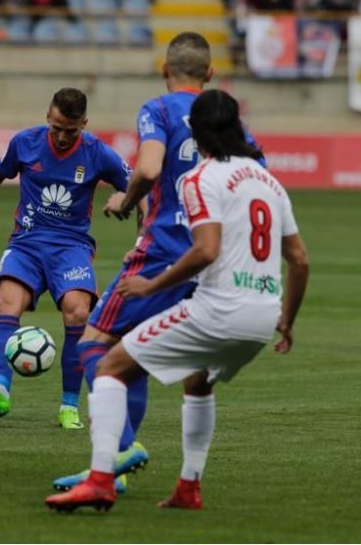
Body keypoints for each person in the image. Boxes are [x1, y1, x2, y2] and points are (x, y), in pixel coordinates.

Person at [45, 90, 309, 512]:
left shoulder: (198, 179)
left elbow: (204, 250)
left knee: (105, 358)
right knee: (197, 382)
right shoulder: (269, 181)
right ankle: (189, 487)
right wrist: (288, 321)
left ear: (197, 132)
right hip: (262, 317)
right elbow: (298, 260)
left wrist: (151, 287)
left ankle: (101, 479)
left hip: (219, 311)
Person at [52, 32, 266, 492]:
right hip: (215, 259)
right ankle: (131, 474)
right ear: (210, 74)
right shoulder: (228, 121)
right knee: (138, 356)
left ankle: (119, 452)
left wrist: (125, 202)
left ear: (164, 70)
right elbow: (257, 175)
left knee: (94, 343)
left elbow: (148, 169)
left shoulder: (159, 110)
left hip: (166, 249)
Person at [0, 88, 131, 430]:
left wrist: (127, 208)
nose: (62, 136)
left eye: (71, 130)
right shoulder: (25, 142)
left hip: (71, 246)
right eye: (56, 127)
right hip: (26, 243)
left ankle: (69, 405)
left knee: (78, 311)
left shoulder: (99, 153)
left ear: (84, 123)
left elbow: (139, 187)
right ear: (47, 116)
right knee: (4, 302)